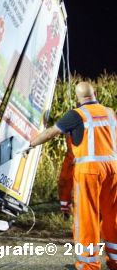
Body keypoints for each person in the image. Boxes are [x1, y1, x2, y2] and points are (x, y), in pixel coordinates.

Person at [30, 82, 117, 270]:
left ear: (78, 98)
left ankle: (88, 265)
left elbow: (50, 133)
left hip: (89, 171)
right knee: (113, 216)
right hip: (114, 170)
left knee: (88, 217)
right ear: (95, 93)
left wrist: (30, 144)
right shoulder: (110, 112)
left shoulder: (76, 115)